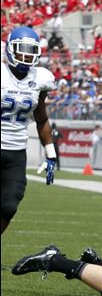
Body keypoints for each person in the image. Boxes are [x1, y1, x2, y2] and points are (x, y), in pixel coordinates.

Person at [1, 26, 58, 234]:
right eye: (21, 50)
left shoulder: (40, 79)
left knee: (9, 206)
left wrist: (51, 154)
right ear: (9, 50)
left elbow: (41, 118)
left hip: (16, 151)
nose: (25, 56)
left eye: (30, 51)